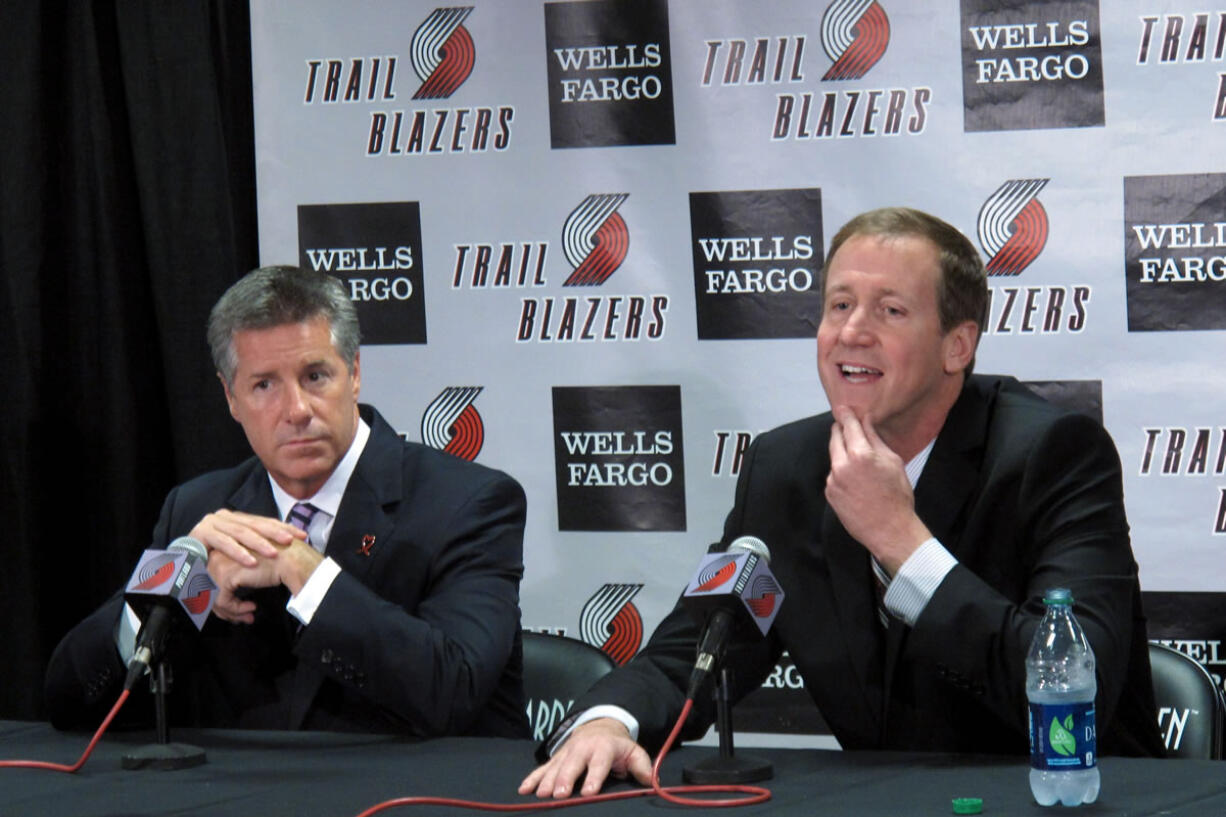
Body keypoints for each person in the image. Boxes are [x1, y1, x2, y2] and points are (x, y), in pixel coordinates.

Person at [520, 206, 1164, 799]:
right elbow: (699, 646)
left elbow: (1081, 686)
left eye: (890, 311)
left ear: (957, 346)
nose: (852, 333)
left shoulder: (1052, 455)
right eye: (839, 306)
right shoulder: (787, 469)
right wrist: (608, 721)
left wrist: (901, 543)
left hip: (1078, 800)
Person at [45, 265, 529, 738]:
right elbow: (69, 701)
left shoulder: (469, 502)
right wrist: (173, 581)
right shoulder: (198, 510)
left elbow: (454, 690)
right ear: (231, 398)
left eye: (315, 376)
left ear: (354, 372)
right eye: (264, 386)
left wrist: (304, 570)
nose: (296, 411)